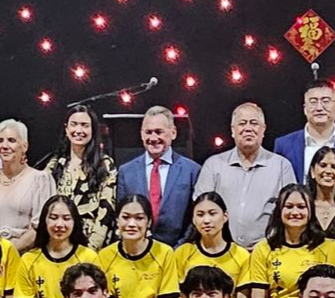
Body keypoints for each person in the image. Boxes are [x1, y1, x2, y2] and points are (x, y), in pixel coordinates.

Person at [194, 102, 296, 247]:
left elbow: (291, 211)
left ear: (263, 129)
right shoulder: (213, 165)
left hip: (268, 250)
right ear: (233, 130)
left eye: (254, 123)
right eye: (242, 123)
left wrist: (267, 245)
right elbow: (201, 210)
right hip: (222, 252)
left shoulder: (281, 166)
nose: (248, 128)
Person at [97, 195, 176, 298]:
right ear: (117, 221)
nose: (131, 224)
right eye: (125, 217)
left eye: (139, 218)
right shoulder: (105, 256)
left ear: (149, 222)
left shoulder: (164, 252)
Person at [115, 105, 200, 247]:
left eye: (159, 132)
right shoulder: (126, 171)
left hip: (178, 252)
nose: (153, 138)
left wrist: (180, 247)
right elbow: (120, 216)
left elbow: (195, 217)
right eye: (148, 132)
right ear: (141, 135)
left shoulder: (192, 171)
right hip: (137, 252)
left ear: (173, 133)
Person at [244, 183, 326, 298]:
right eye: (288, 206)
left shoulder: (326, 247)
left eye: (301, 207)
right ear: (279, 211)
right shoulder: (263, 249)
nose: (295, 212)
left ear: (311, 211)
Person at [43, 104, 120, 249]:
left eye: (85, 125)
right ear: (66, 129)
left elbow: (107, 211)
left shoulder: (104, 164)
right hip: (56, 243)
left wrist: (91, 250)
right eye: (74, 125)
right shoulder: (54, 164)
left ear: (93, 130)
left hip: (89, 245)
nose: (79, 130)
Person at [169, 191, 250, 298]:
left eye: (212, 214)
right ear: (193, 220)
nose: (206, 220)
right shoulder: (182, 252)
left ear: (225, 216)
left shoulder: (241, 255)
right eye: (200, 215)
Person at [20, 194, 96, 298]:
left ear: (75, 222)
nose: (59, 224)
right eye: (53, 218)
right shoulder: (29, 259)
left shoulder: (88, 257)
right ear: (44, 221)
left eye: (66, 218)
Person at [0, 118, 56, 252]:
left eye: (11, 140)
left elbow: (41, 226)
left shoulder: (40, 179)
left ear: (25, 146)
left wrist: (10, 252)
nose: (4, 146)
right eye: (0, 141)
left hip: (27, 256)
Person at [275, 81, 335, 180]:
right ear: (305, 108)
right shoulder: (284, 145)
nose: (319, 108)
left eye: (325, 101)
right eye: (313, 102)